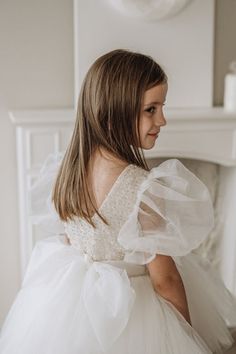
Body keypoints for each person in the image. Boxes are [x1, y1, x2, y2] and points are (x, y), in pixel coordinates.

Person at [0, 49, 236, 354]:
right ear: (112, 113)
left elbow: (74, 238)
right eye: (150, 109)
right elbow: (165, 280)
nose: (162, 120)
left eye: (162, 107)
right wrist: (189, 338)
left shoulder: (68, 171)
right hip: (135, 312)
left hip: (75, 305)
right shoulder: (141, 188)